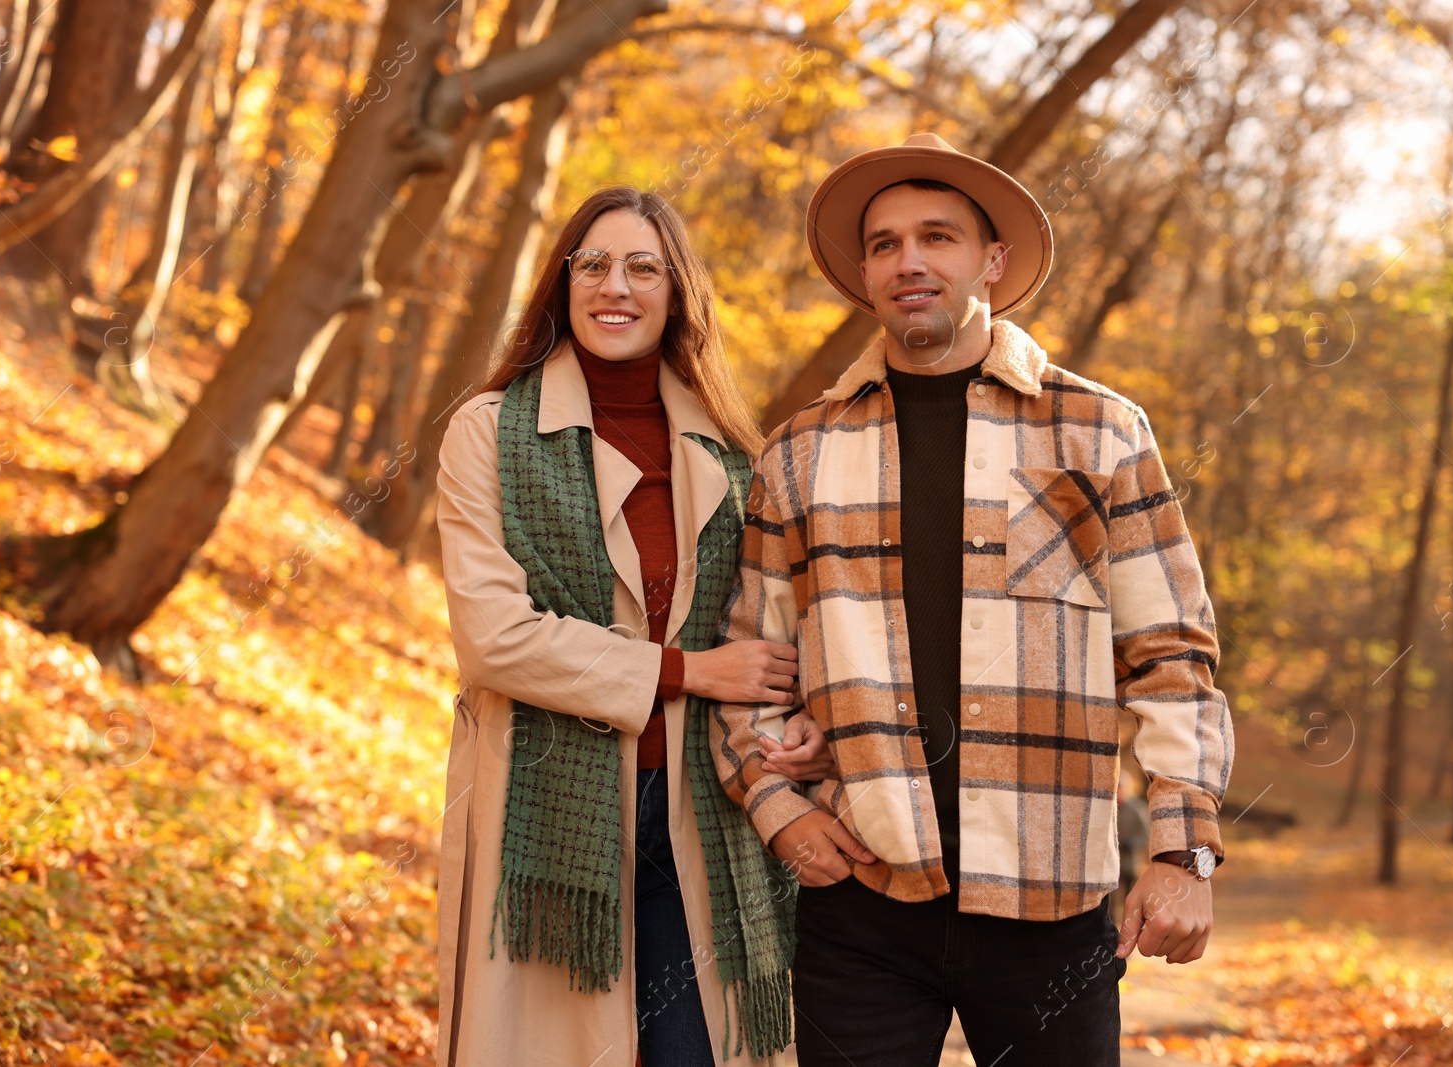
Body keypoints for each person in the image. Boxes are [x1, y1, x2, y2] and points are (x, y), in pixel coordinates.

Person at [710, 134, 1236, 1067]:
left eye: (937, 237)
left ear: (991, 261)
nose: (909, 260)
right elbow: (749, 659)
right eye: (884, 243)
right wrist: (777, 806)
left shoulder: (1099, 432)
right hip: (861, 903)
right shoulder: (798, 453)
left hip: (1053, 902)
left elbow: (1172, 654)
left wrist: (1182, 851)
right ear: (866, 274)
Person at [434, 186, 829, 1067]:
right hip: (543, 818)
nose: (617, 285)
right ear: (563, 283)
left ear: (676, 292)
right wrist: (689, 671)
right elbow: (494, 638)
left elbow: (776, 637)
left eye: (643, 266)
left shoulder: (732, 452)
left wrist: (799, 721)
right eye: (595, 263)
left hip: (702, 814)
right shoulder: (489, 433)